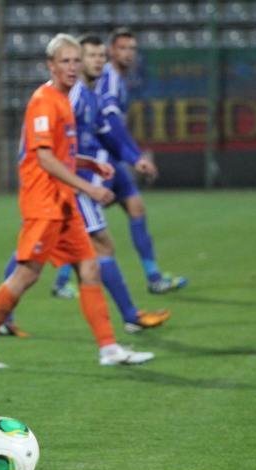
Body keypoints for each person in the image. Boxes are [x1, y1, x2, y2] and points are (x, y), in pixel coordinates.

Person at [0, 34, 154, 369]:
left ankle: (109, 349)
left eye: (76, 61)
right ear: (51, 65)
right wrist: (89, 188)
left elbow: (61, 155)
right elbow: (45, 159)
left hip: (63, 203)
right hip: (44, 203)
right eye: (65, 61)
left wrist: (88, 163)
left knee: (89, 267)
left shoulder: (64, 100)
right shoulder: (44, 101)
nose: (72, 67)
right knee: (27, 275)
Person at [0, 34, 170, 337]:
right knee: (87, 249)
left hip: (70, 183)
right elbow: (49, 146)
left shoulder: (90, 96)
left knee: (34, 255)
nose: (97, 61)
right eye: (89, 56)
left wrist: (131, 158)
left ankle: (1, 320)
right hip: (61, 187)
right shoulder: (69, 95)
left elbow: (104, 134)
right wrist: (81, 180)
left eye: (100, 56)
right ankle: (128, 318)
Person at [96, 27, 187, 294]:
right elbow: (111, 122)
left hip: (112, 157)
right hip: (100, 160)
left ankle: (153, 277)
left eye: (132, 49)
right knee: (77, 223)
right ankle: (61, 280)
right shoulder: (111, 78)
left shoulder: (118, 79)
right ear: (111, 50)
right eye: (122, 48)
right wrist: (135, 157)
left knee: (135, 208)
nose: (128, 53)